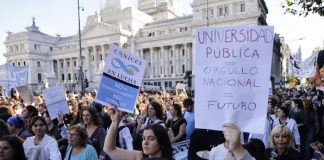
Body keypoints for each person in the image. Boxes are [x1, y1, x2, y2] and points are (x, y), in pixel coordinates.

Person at [104, 108, 174, 160]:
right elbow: (109, 149)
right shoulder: (139, 156)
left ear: (162, 142)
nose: (145, 142)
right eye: (143, 138)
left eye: (151, 139)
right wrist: (115, 122)